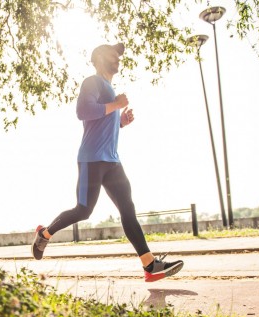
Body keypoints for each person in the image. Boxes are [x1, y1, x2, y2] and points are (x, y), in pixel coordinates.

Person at [31, 43, 184, 282]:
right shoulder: (91, 82)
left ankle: (150, 266)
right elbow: (83, 111)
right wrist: (116, 106)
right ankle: (45, 233)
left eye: (118, 54)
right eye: (113, 53)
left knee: (128, 210)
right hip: (91, 159)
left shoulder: (110, 90)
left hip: (112, 161)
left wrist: (121, 121)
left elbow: (102, 123)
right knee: (83, 210)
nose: (118, 57)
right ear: (100, 58)